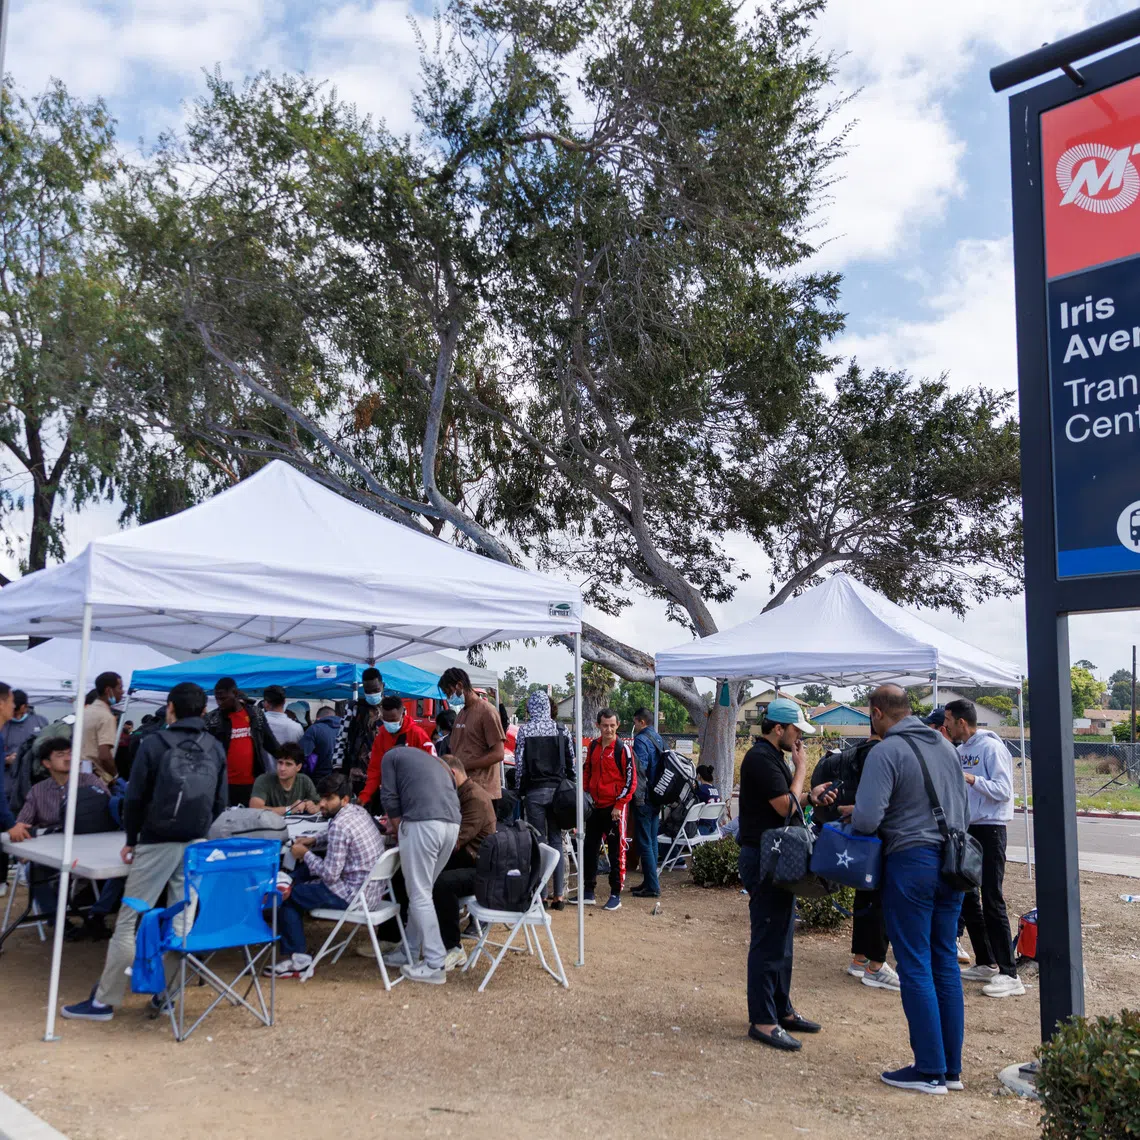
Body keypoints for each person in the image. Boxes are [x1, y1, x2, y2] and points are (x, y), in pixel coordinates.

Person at [61, 682, 228, 1022]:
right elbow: (220, 802)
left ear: (170, 708)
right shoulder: (214, 747)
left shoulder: (153, 744)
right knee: (181, 922)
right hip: (196, 842)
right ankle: (166, 996)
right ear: (203, 712)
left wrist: (133, 839)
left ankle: (104, 1002)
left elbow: (134, 799)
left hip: (156, 840)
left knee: (130, 920)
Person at [852, 684, 968, 1095]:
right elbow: (962, 809)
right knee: (944, 963)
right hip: (954, 863)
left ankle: (929, 1070)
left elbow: (867, 820)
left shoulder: (886, 751)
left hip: (911, 863)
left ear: (878, 712)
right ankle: (950, 1070)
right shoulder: (945, 747)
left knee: (914, 963)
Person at [737, 697, 830, 1052]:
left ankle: (781, 1009)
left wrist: (810, 796)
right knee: (769, 938)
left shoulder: (770, 757)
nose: (798, 739)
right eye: (795, 731)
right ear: (779, 729)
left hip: (775, 856)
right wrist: (802, 769)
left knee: (782, 937)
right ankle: (763, 1019)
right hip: (764, 857)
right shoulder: (761, 758)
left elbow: (789, 801)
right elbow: (783, 806)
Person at [943, 698, 1024, 998]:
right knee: (968, 898)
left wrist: (972, 778)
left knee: (992, 899)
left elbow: (1004, 791)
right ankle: (987, 962)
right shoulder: (960, 751)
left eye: (949, 719)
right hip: (967, 828)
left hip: (990, 829)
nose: (946, 725)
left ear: (962, 722)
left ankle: (1010, 974)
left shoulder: (991, 748)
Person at [272, 772, 385, 978]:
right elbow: (333, 836)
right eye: (321, 797)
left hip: (353, 896)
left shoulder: (340, 826)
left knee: (287, 897)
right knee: (309, 866)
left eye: (328, 798)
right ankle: (287, 879)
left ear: (343, 799)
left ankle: (298, 961)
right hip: (371, 891)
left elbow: (330, 875)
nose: (322, 803)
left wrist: (305, 853)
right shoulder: (356, 811)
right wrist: (314, 841)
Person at [810, 735, 900, 992]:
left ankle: (860, 958)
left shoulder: (855, 753)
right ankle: (876, 965)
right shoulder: (884, 753)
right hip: (878, 833)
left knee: (865, 894)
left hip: (859, 834)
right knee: (881, 897)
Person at [379, 745, 461, 985]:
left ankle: (435, 963)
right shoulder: (434, 762)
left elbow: (389, 797)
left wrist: (395, 827)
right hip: (452, 825)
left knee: (419, 894)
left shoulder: (389, 756)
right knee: (423, 891)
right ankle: (410, 951)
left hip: (423, 823)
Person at [432, 757, 496, 969]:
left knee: (441, 883)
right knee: (414, 871)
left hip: (480, 868)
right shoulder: (461, 793)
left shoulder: (474, 799)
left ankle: (453, 948)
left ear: (452, 773)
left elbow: (455, 841)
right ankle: (397, 937)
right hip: (469, 858)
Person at [515, 691, 574, 908]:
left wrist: (520, 790)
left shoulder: (525, 730)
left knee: (539, 843)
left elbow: (520, 765)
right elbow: (571, 764)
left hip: (534, 793)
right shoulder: (562, 730)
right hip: (558, 792)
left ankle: (541, 894)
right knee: (557, 841)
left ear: (531, 708)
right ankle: (559, 895)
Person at [582, 708, 636, 911]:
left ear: (618, 725)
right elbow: (588, 771)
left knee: (616, 852)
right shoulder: (594, 746)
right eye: (605, 725)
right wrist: (586, 795)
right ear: (598, 725)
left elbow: (631, 781)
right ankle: (589, 891)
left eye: (612, 725)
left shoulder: (623, 750)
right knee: (589, 849)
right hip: (594, 807)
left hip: (614, 809)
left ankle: (615, 894)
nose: (609, 729)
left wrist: (619, 805)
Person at [204, 678, 281, 807]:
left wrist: (290, 760)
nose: (219, 703)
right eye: (217, 699)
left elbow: (270, 743)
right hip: (223, 784)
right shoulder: (212, 720)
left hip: (253, 783)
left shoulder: (255, 714)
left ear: (235, 693)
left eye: (223, 699)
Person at [439, 667, 505, 802]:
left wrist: (464, 765)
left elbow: (498, 754)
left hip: (483, 792)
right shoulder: (461, 714)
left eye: (449, 692)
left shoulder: (487, 712)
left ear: (459, 686)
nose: (448, 698)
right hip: (463, 790)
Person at [359, 695, 436, 810]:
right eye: (386, 719)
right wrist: (365, 796)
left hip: (417, 794)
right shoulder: (381, 737)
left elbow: (433, 765)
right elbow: (375, 770)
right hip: (391, 796)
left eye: (393, 719)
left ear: (403, 715)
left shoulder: (417, 734)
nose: (390, 723)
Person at [1, 688, 44, 894]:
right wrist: (10, 824)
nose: (13, 708)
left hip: (27, 789)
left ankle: (22, 870)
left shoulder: (38, 722)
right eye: (10, 703)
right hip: (9, 790)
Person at [627, 707, 665, 899]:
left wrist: (637, 797)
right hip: (657, 796)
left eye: (635, 722)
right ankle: (650, 880)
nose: (634, 726)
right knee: (652, 839)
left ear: (641, 722)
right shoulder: (658, 738)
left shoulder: (641, 740)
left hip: (645, 797)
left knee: (644, 842)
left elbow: (639, 771)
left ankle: (652, 886)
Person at [331, 667, 385, 794]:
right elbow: (342, 738)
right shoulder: (354, 708)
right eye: (368, 691)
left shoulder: (392, 708)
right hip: (357, 773)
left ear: (383, 686)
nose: (372, 694)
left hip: (384, 774)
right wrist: (338, 768)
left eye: (376, 690)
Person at [249, 742, 320, 814]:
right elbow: (255, 809)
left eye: (288, 764)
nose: (282, 768)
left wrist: (312, 806)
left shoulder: (305, 781)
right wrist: (289, 809)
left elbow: (320, 803)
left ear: (298, 767)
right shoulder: (263, 780)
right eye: (280, 762)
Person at [82, 671, 123, 783]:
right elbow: (104, 755)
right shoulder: (106, 716)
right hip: (96, 777)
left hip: (79, 772)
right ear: (108, 690)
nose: (122, 692)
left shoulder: (85, 712)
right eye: (119, 688)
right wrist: (115, 775)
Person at [301, 706, 341, 784]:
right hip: (341, 779)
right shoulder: (346, 728)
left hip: (318, 779)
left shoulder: (314, 729)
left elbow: (302, 755)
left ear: (318, 718)